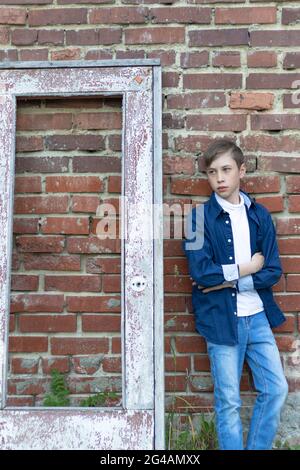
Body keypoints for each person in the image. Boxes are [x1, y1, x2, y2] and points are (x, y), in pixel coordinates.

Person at [182, 139, 288, 450]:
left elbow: (271, 270)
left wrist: (227, 279)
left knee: (276, 389)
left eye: (226, 170)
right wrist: (245, 267)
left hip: (256, 317)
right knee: (228, 400)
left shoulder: (260, 215)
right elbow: (201, 273)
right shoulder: (196, 219)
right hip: (220, 320)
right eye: (212, 172)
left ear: (241, 171)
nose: (220, 179)